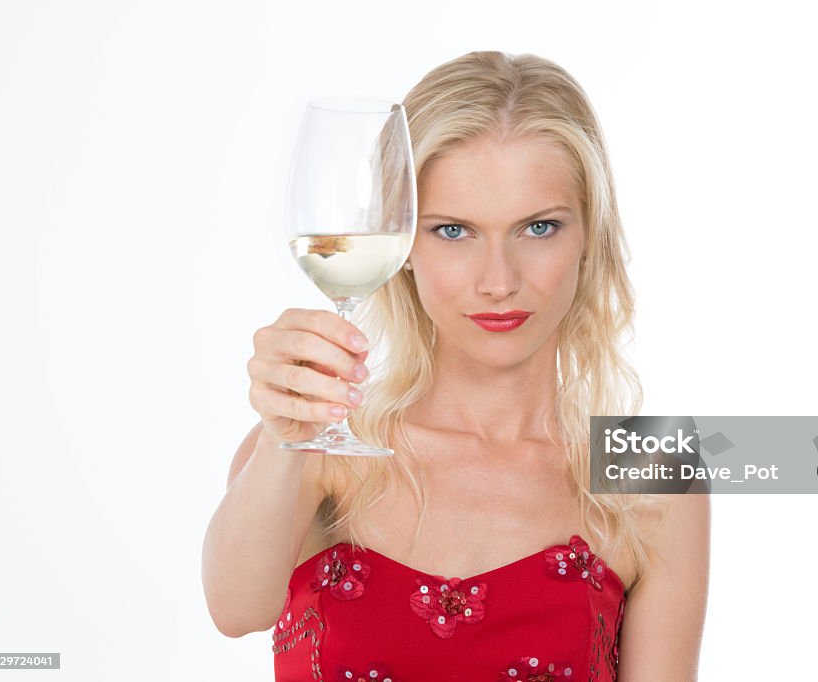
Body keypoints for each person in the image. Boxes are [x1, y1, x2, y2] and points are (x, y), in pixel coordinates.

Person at [202, 50, 709, 681]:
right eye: (453, 231)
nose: (499, 282)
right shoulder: (324, 448)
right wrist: (290, 432)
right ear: (402, 243)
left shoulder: (653, 468)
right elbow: (234, 608)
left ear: (590, 236)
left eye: (539, 227)